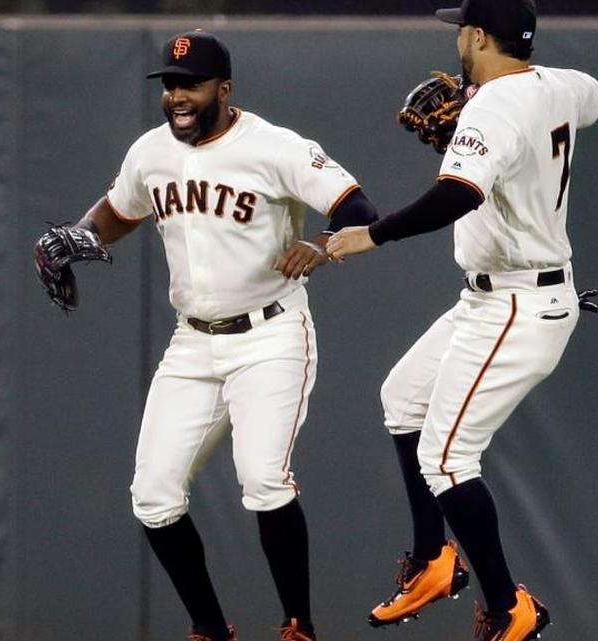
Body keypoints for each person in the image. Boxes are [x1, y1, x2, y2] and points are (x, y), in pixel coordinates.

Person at [49, 29, 379, 641]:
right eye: (169, 85)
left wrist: (320, 243)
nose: (176, 95)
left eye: (190, 85)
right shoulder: (151, 151)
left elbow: (357, 207)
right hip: (193, 343)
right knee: (152, 495)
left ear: (223, 89)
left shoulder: (276, 147)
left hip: (271, 336)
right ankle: (210, 629)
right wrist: (74, 236)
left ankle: (300, 627)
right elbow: (118, 213)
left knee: (262, 479)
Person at [326, 2, 598, 640]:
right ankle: (431, 561)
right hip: (498, 296)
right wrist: (504, 131)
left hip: (517, 301)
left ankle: (511, 608)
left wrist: (373, 234)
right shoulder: (561, 85)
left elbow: (459, 194)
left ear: (478, 35)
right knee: (402, 398)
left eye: (461, 27)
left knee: (448, 460)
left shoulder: (491, 108)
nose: (458, 36)